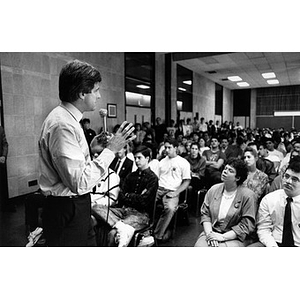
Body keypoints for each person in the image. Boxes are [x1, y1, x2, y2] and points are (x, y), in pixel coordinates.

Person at [38, 59, 135, 246]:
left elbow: (68, 166)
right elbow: (79, 182)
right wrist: (111, 149)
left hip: (73, 205)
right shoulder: (62, 125)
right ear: (82, 93)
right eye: (96, 90)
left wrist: (91, 149)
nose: (99, 96)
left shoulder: (66, 118)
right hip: (67, 207)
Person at [91, 145, 159, 247]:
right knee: (95, 207)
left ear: (147, 159)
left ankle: (118, 227)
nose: (136, 161)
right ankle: (120, 226)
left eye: (139, 158)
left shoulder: (153, 178)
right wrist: (134, 196)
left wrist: (129, 196)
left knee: (113, 233)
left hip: (141, 215)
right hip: (123, 211)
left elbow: (144, 201)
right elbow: (121, 196)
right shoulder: (131, 176)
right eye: (135, 158)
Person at [194, 158, 256, 247]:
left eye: (230, 171)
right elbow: (205, 215)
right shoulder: (214, 189)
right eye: (225, 168)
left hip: (235, 236)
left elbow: (246, 225)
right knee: (199, 247)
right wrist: (210, 235)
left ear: (238, 178)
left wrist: (222, 237)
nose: (225, 171)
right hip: (212, 231)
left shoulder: (248, 196)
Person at [249, 156, 300, 247]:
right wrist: (272, 247)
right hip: (274, 242)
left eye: (295, 179)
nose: (288, 181)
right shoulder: (269, 199)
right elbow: (263, 228)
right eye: (286, 176)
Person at [154, 137, 191, 242]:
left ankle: (158, 235)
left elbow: (187, 181)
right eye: (165, 147)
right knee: (146, 201)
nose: (166, 150)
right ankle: (146, 229)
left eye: (169, 147)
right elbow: (156, 178)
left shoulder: (183, 162)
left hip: (172, 191)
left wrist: (176, 193)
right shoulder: (161, 162)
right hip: (159, 188)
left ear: (176, 148)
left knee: (170, 208)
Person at [0, 125, 14, 212]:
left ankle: (4, 206)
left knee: (2, 185)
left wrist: (4, 156)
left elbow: (5, 143)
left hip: (1, 161)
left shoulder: (0, 129)